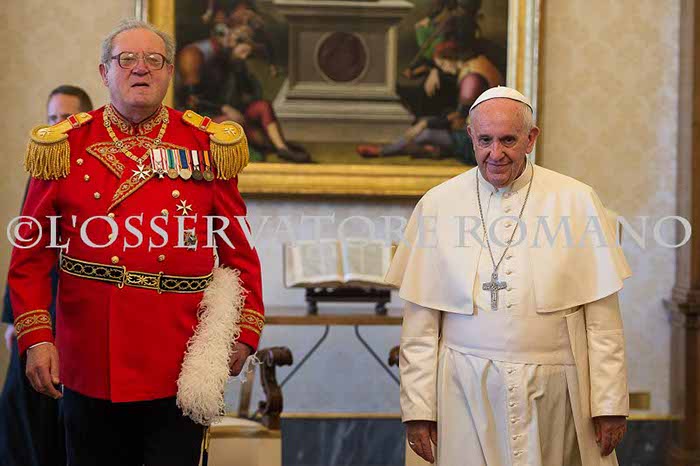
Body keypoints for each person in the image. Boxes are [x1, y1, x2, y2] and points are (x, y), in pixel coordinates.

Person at [8, 19, 265, 466]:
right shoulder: (64, 145)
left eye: (154, 60)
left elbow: (238, 249)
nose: (140, 68)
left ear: (170, 73)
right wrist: (37, 338)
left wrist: (245, 329)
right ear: (104, 72)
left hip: (180, 359)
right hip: (89, 359)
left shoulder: (206, 143)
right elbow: (30, 257)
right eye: (126, 59)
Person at [386, 86, 630, 465]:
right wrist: (418, 410)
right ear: (471, 136)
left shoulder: (577, 201)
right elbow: (420, 326)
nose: (495, 153)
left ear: (531, 139)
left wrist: (610, 403)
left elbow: (602, 322)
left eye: (508, 140)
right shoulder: (438, 204)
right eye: (485, 140)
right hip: (462, 389)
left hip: (556, 393)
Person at [0, 85, 92, 466]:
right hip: (37, 309)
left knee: (65, 423)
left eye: (66, 118)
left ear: (83, 120)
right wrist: (13, 318)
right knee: (20, 416)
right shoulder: (44, 163)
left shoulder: (95, 164)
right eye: (51, 117)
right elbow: (26, 248)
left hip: (79, 316)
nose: (57, 126)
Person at [178, 23, 310, 163]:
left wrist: (240, 71)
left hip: (236, 112)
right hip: (209, 115)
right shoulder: (207, 61)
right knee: (245, 131)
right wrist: (223, 108)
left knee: (263, 106)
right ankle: (263, 146)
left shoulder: (236, 64)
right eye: (243, 49)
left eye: (248, 52)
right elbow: (194, 100)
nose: (245, 55)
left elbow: (251, 93)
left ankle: (282, 148)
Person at [357, 40, 501, 163]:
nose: (443, 69)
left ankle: (383, 151)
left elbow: (460, 118)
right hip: (478, 132)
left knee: (426, 134)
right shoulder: (474, 65)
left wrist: (426, 124)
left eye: (443, 64)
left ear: (453, 59)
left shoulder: (471, 80)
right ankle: (433, 150)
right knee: (425, 127)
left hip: (477, 141)